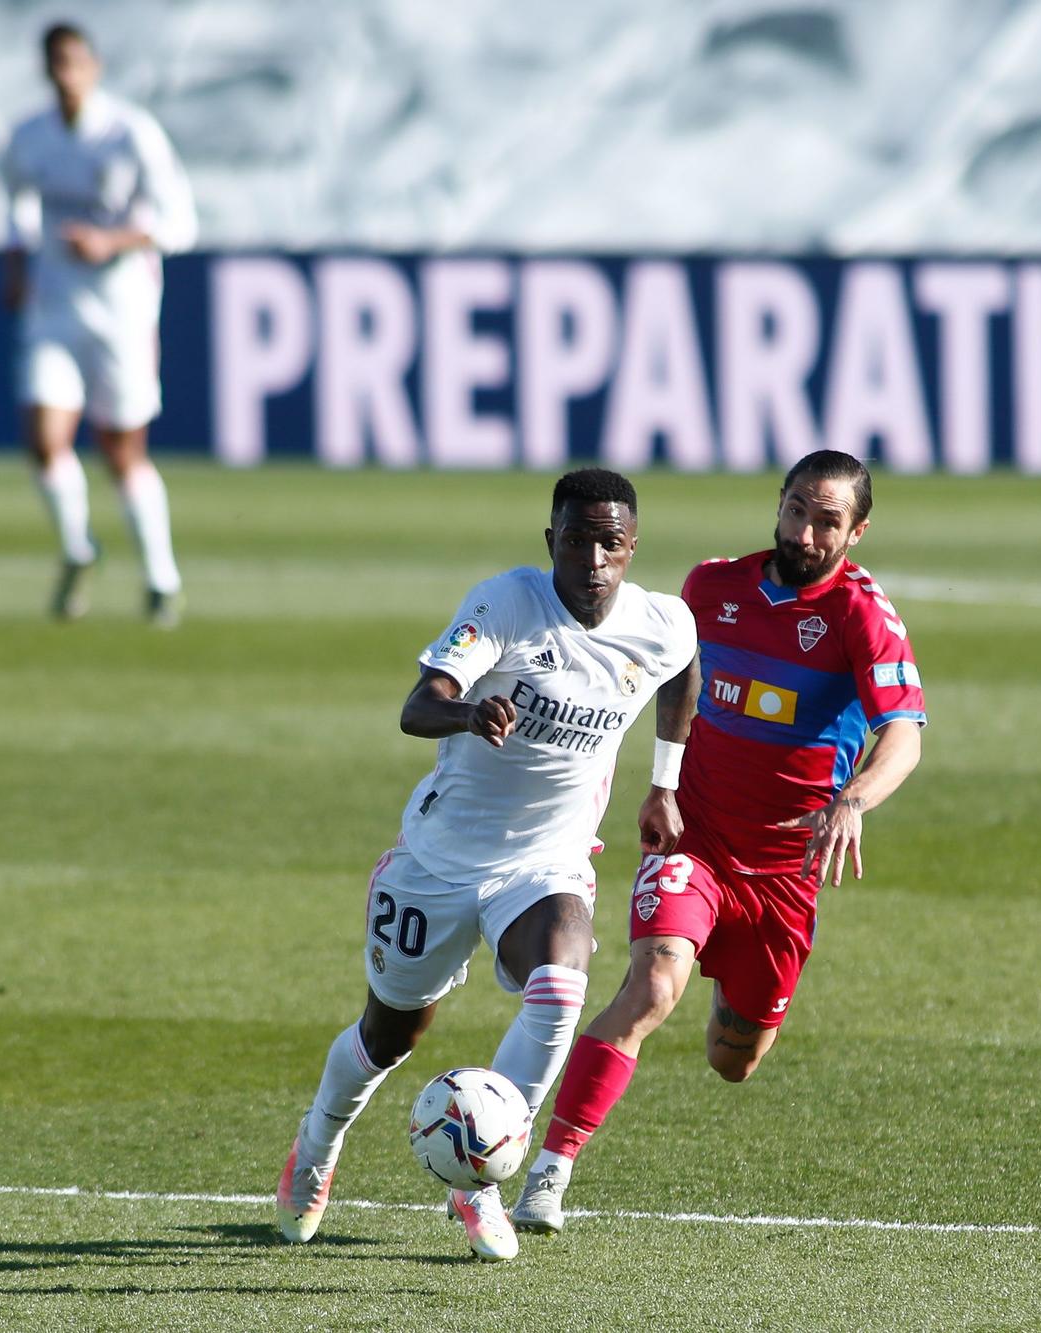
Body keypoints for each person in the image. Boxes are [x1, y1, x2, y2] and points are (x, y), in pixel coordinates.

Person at [276, 468, 700, 1262]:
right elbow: (417, 704)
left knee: (561, 983)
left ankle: (478, 1183)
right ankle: (315, 1146)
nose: (594, 559)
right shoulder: (507, 602)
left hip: (546, 861)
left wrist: (664, 784)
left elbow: (682, 670)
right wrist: (470, 711)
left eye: (611, 543)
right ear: (552, 543)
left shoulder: (660, 623)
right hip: (440, 858)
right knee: (387, 1035)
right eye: (577, 540)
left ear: (633, 547)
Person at [510, 449, 927, 1234]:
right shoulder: (711, 588)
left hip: (782, 873)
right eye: (797, 508)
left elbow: (903, 734)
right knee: (653, 986)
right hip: (693, 841)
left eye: (828, 520)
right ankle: (548, 1171)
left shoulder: (861, 616)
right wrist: (661, 783)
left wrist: (854, 800)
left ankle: (733, 988)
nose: (806, 530)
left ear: (857, 530)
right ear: (780, 502)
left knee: (733, 1059)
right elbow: (675, 680)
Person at [0, 22, 197, 626]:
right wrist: (15, 265)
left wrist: (112, 241)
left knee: (121, 448)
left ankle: (161, 577)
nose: (66, 74)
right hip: (54, 310)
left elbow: (181, 224)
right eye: (56, 63)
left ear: (95, 67)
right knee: (43, 437)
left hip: (122, 315)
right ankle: (78, 550)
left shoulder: (130, 133)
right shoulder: (30, 138)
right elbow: (17, 205)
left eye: (75, 62)